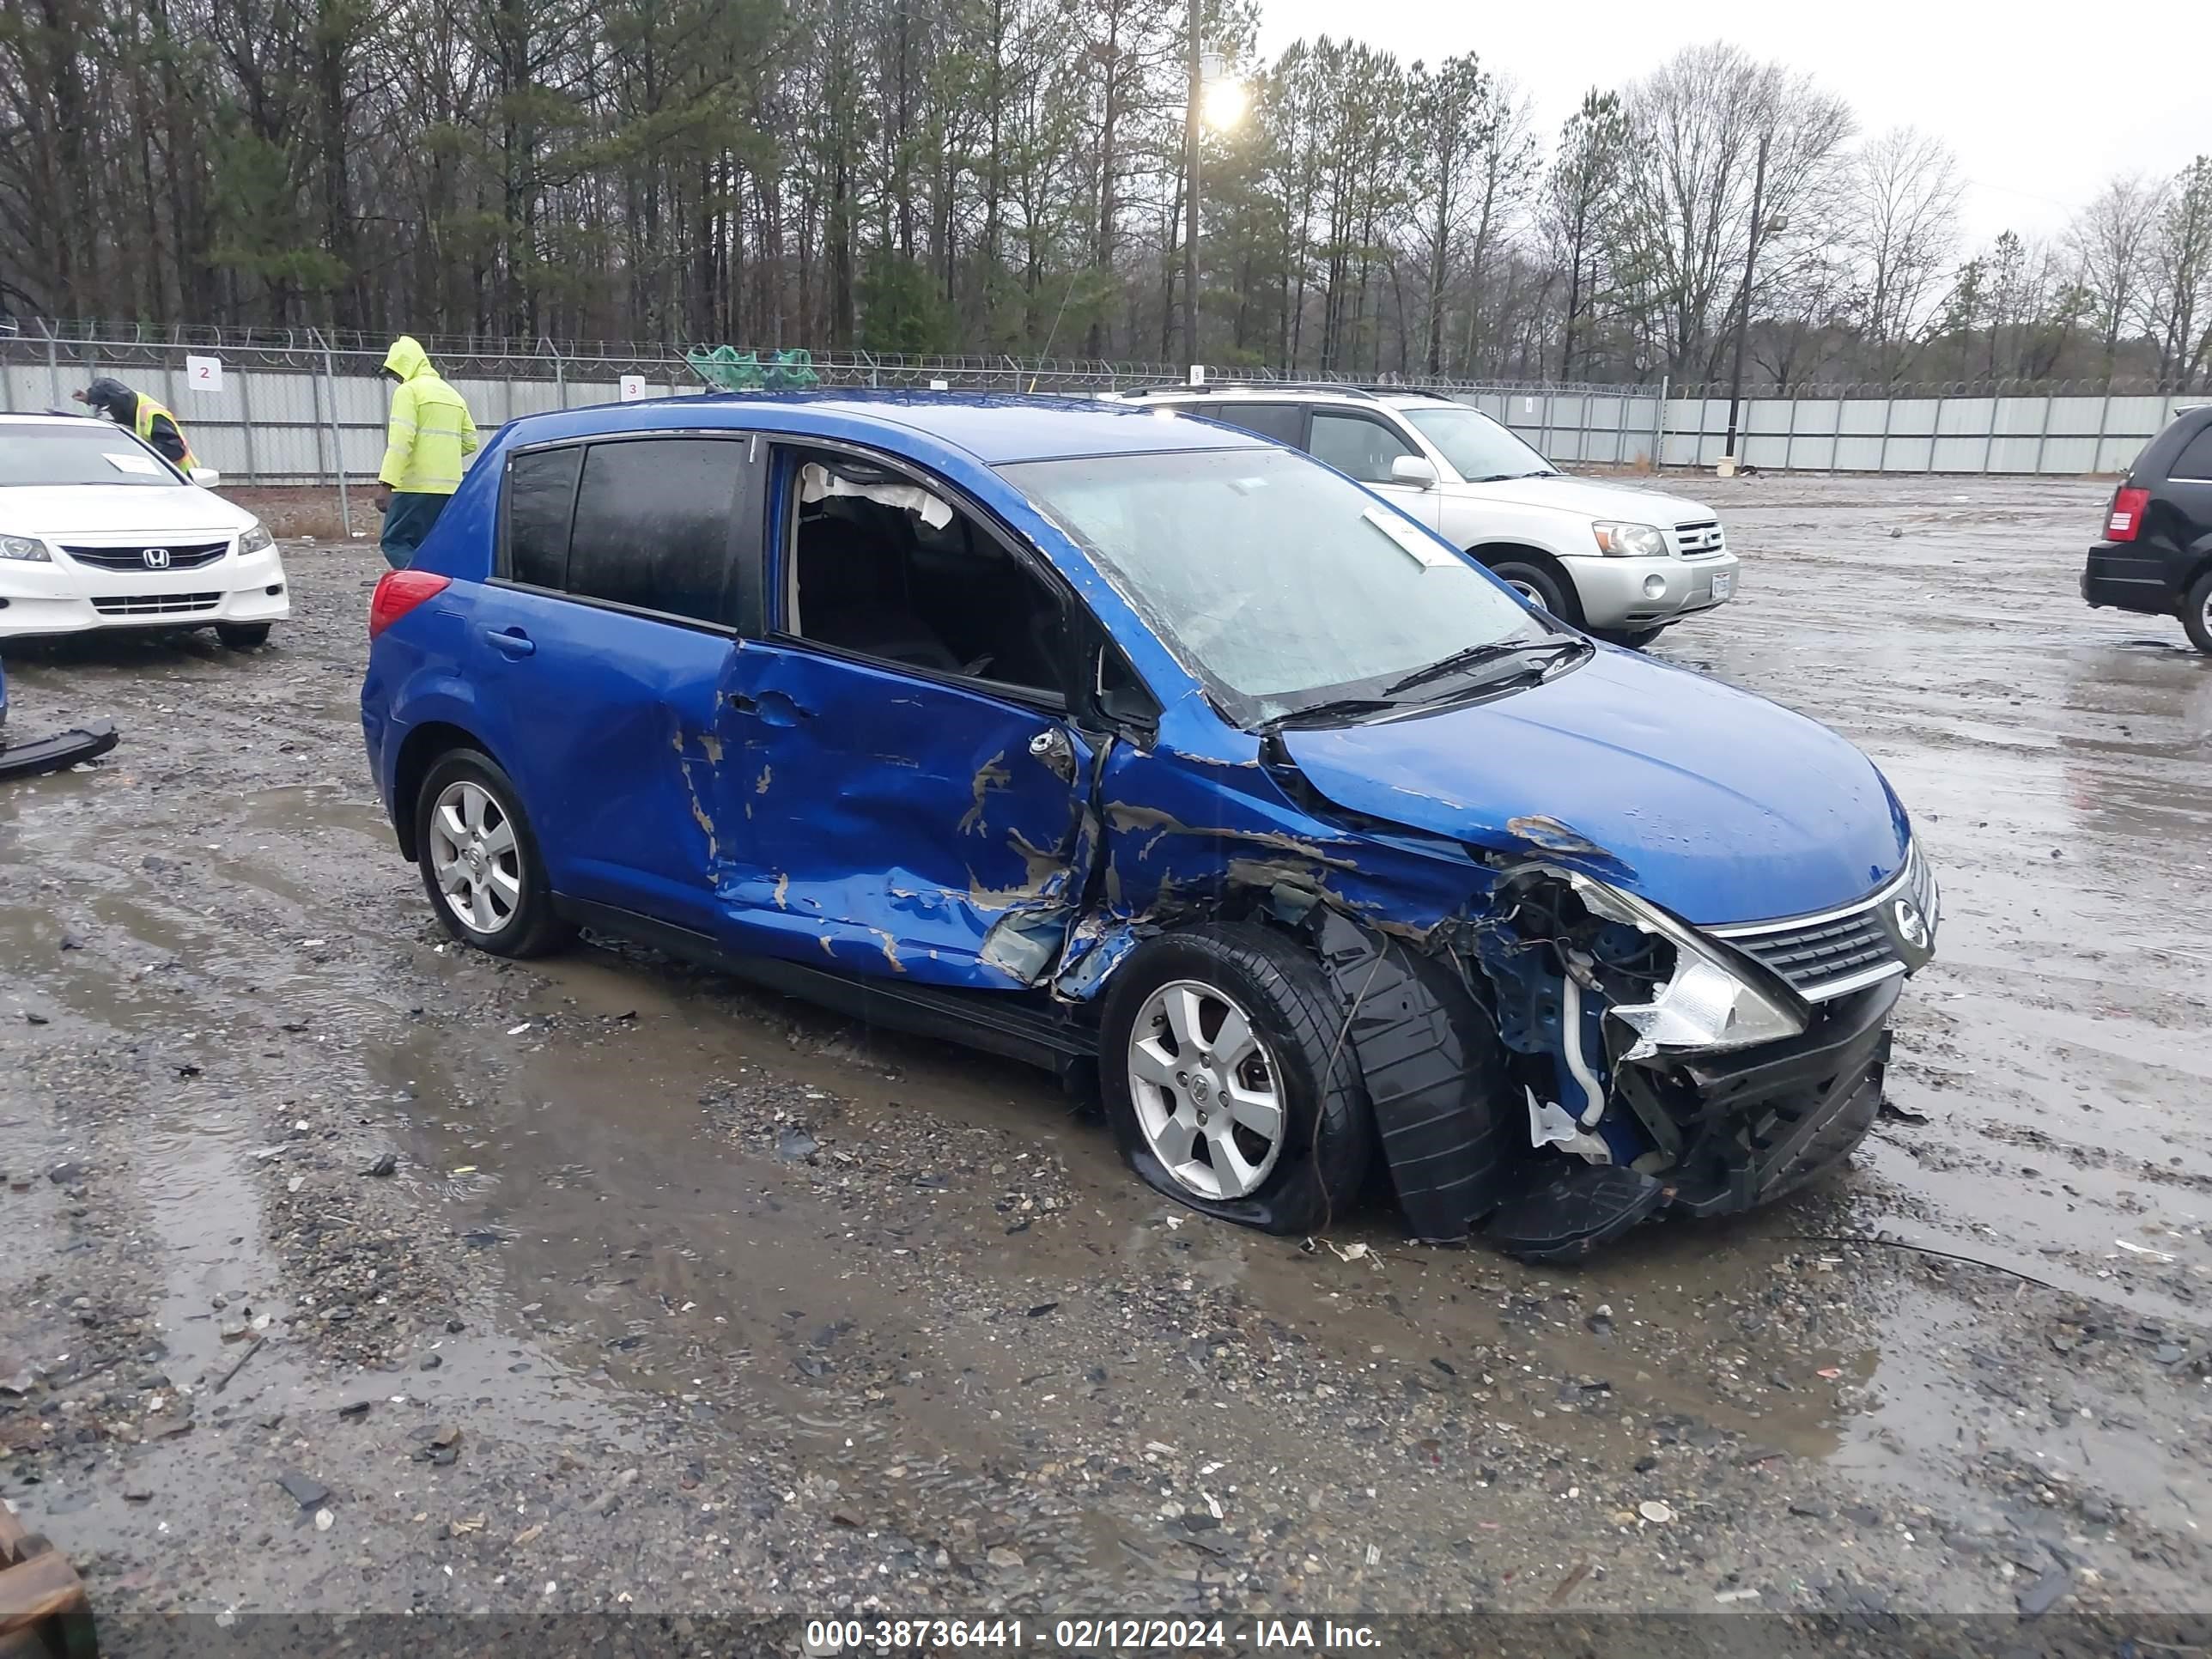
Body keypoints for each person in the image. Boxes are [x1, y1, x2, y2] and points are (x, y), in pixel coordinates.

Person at [375, 336, 479, 569]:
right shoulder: (452, 395)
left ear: (405, 366)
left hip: (414, 487)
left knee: (395, 541)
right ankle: (443, 585)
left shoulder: (409, 391)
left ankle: (420, 588)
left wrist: (387, 484)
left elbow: (401, 442)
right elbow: (471, 442)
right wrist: (440, 455)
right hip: (450, 489)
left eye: (395, 373)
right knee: (434, 545)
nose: (395, 379)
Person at [75, 378, 198, 474]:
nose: (111, 412)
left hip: (180, 478)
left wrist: (134, 453)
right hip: (160, 477)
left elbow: (173, 450)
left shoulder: (152, 414)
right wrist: (90, 398)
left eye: (110, 408)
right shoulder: (132, 407)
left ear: (119, 404)